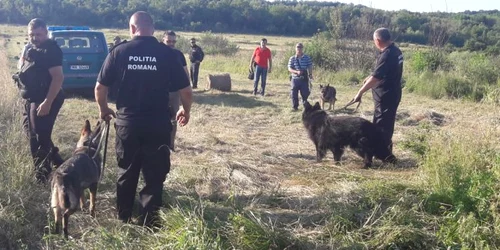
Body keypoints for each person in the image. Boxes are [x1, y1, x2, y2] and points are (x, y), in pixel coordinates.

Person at [95, 11, 193, 227]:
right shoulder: (167, 54)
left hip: (127, 124)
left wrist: (103, 109)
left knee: (126, 171)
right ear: (153, 29)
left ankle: (124, 217)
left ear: (132, 28)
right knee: (154, 175)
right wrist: (186, 111)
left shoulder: (119, 52)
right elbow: (186, 90)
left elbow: (100, 87)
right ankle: (149, 220)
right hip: (157, 125)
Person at [15, 18, 65, 183]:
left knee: (39, 137)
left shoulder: (51, 50)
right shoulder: (30, 48)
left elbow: (58, 78)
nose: (35, 37)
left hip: (46, 98)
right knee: (30, 131)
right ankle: (58, 161)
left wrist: (47, 102)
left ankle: (43, 175)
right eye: (31, 34)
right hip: (31, 97)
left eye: (39, 34)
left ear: (46, 33)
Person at [349, 28, 404, 153]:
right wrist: (369, 78)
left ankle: (385, 155)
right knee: (386, 124)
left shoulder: (387, 54)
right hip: (392, 93)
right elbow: (382, 71)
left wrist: (360, 93)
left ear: (378, 41)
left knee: (382, 126)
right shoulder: (395, 50)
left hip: (386, 95)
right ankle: (384, 152)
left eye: (374, 40)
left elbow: (376, 77)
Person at [162, 30, 189, 152]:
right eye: (168, 41)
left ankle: (170, 145)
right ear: (163, 40)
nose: (171, 44)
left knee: (173, 119)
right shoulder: (157, 53)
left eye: (173, 41)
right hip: (158, 92)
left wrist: (187, 88)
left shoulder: (179, 55)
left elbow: (185, 72)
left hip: (174, 92)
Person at [288, 43, 313, 111]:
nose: (299, 49)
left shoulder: (307, 58)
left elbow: (310, 66)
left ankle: (305, 105)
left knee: (305, 93)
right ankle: (295, 107)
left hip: (304, 78)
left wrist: (310, 74)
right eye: (297, 47)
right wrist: (296, 72)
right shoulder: (292, 58)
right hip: (295, 79)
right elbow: (289, 68)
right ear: (295, 49)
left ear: (302, 49)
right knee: (294, 93)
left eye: (300, 48)